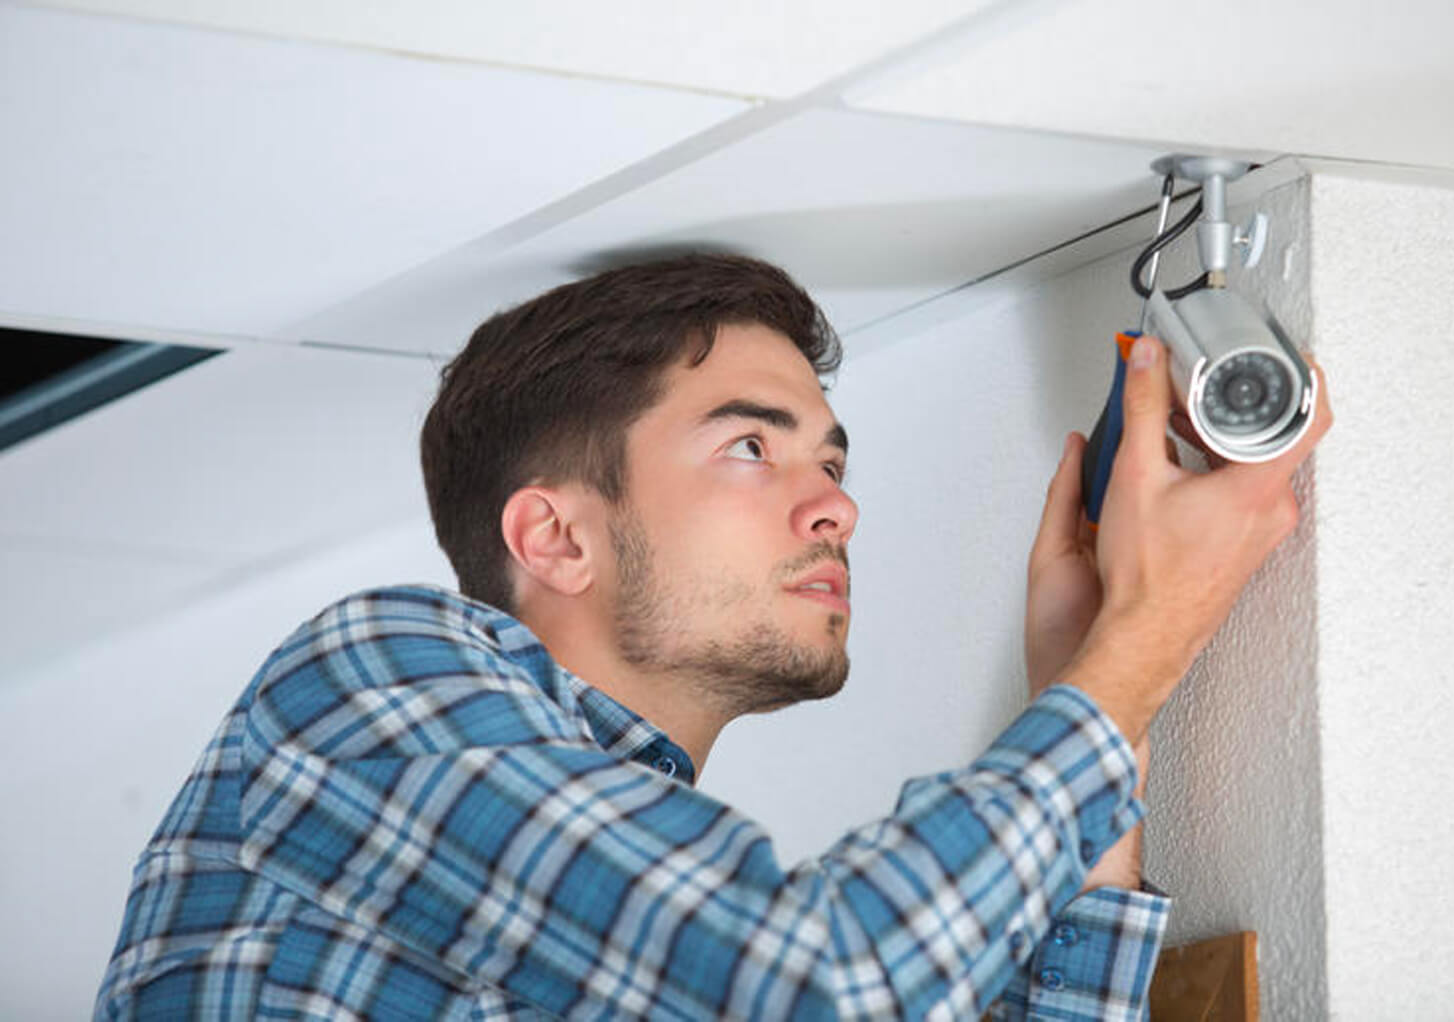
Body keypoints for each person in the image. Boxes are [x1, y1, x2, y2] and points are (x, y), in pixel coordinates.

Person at [95, 254, 1331, 1019]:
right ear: (555, 538)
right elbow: (826, 987)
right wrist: (1138, 656)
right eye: (751, 446)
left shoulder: (627, 940)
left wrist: (1099, 680)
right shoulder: (369, 677)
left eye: (831, 457)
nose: (836, 500)